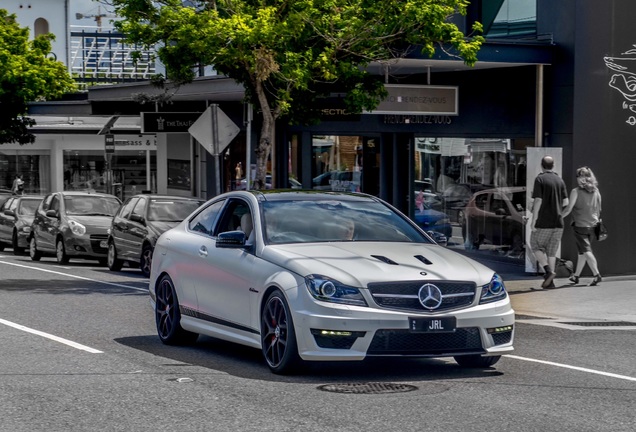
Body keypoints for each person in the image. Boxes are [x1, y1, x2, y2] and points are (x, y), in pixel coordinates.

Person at [529, 156, 569, 288]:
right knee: (552, 252)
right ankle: (550, 282)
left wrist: (533, 220)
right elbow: (566, 202)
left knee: (535, 245)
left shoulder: (540, 179)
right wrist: (560, 215)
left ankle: (548, 271)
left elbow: (538, 200)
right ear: (553, 166)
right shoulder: (560, 180)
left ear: (542, 165)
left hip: (543, 222)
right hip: (558, 223)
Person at [561, 166, 602, 286]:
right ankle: (576, 276)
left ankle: (597, 274)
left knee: (587, 251)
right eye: (578, 176)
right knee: (582, 252)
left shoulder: (576, 191)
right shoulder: (596, 191)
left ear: (586, 178)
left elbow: (569, 209)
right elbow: (599, 209)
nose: (579, 179)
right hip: (593, 226)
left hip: (580, 226)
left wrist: (559, 217)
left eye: (581, 176)